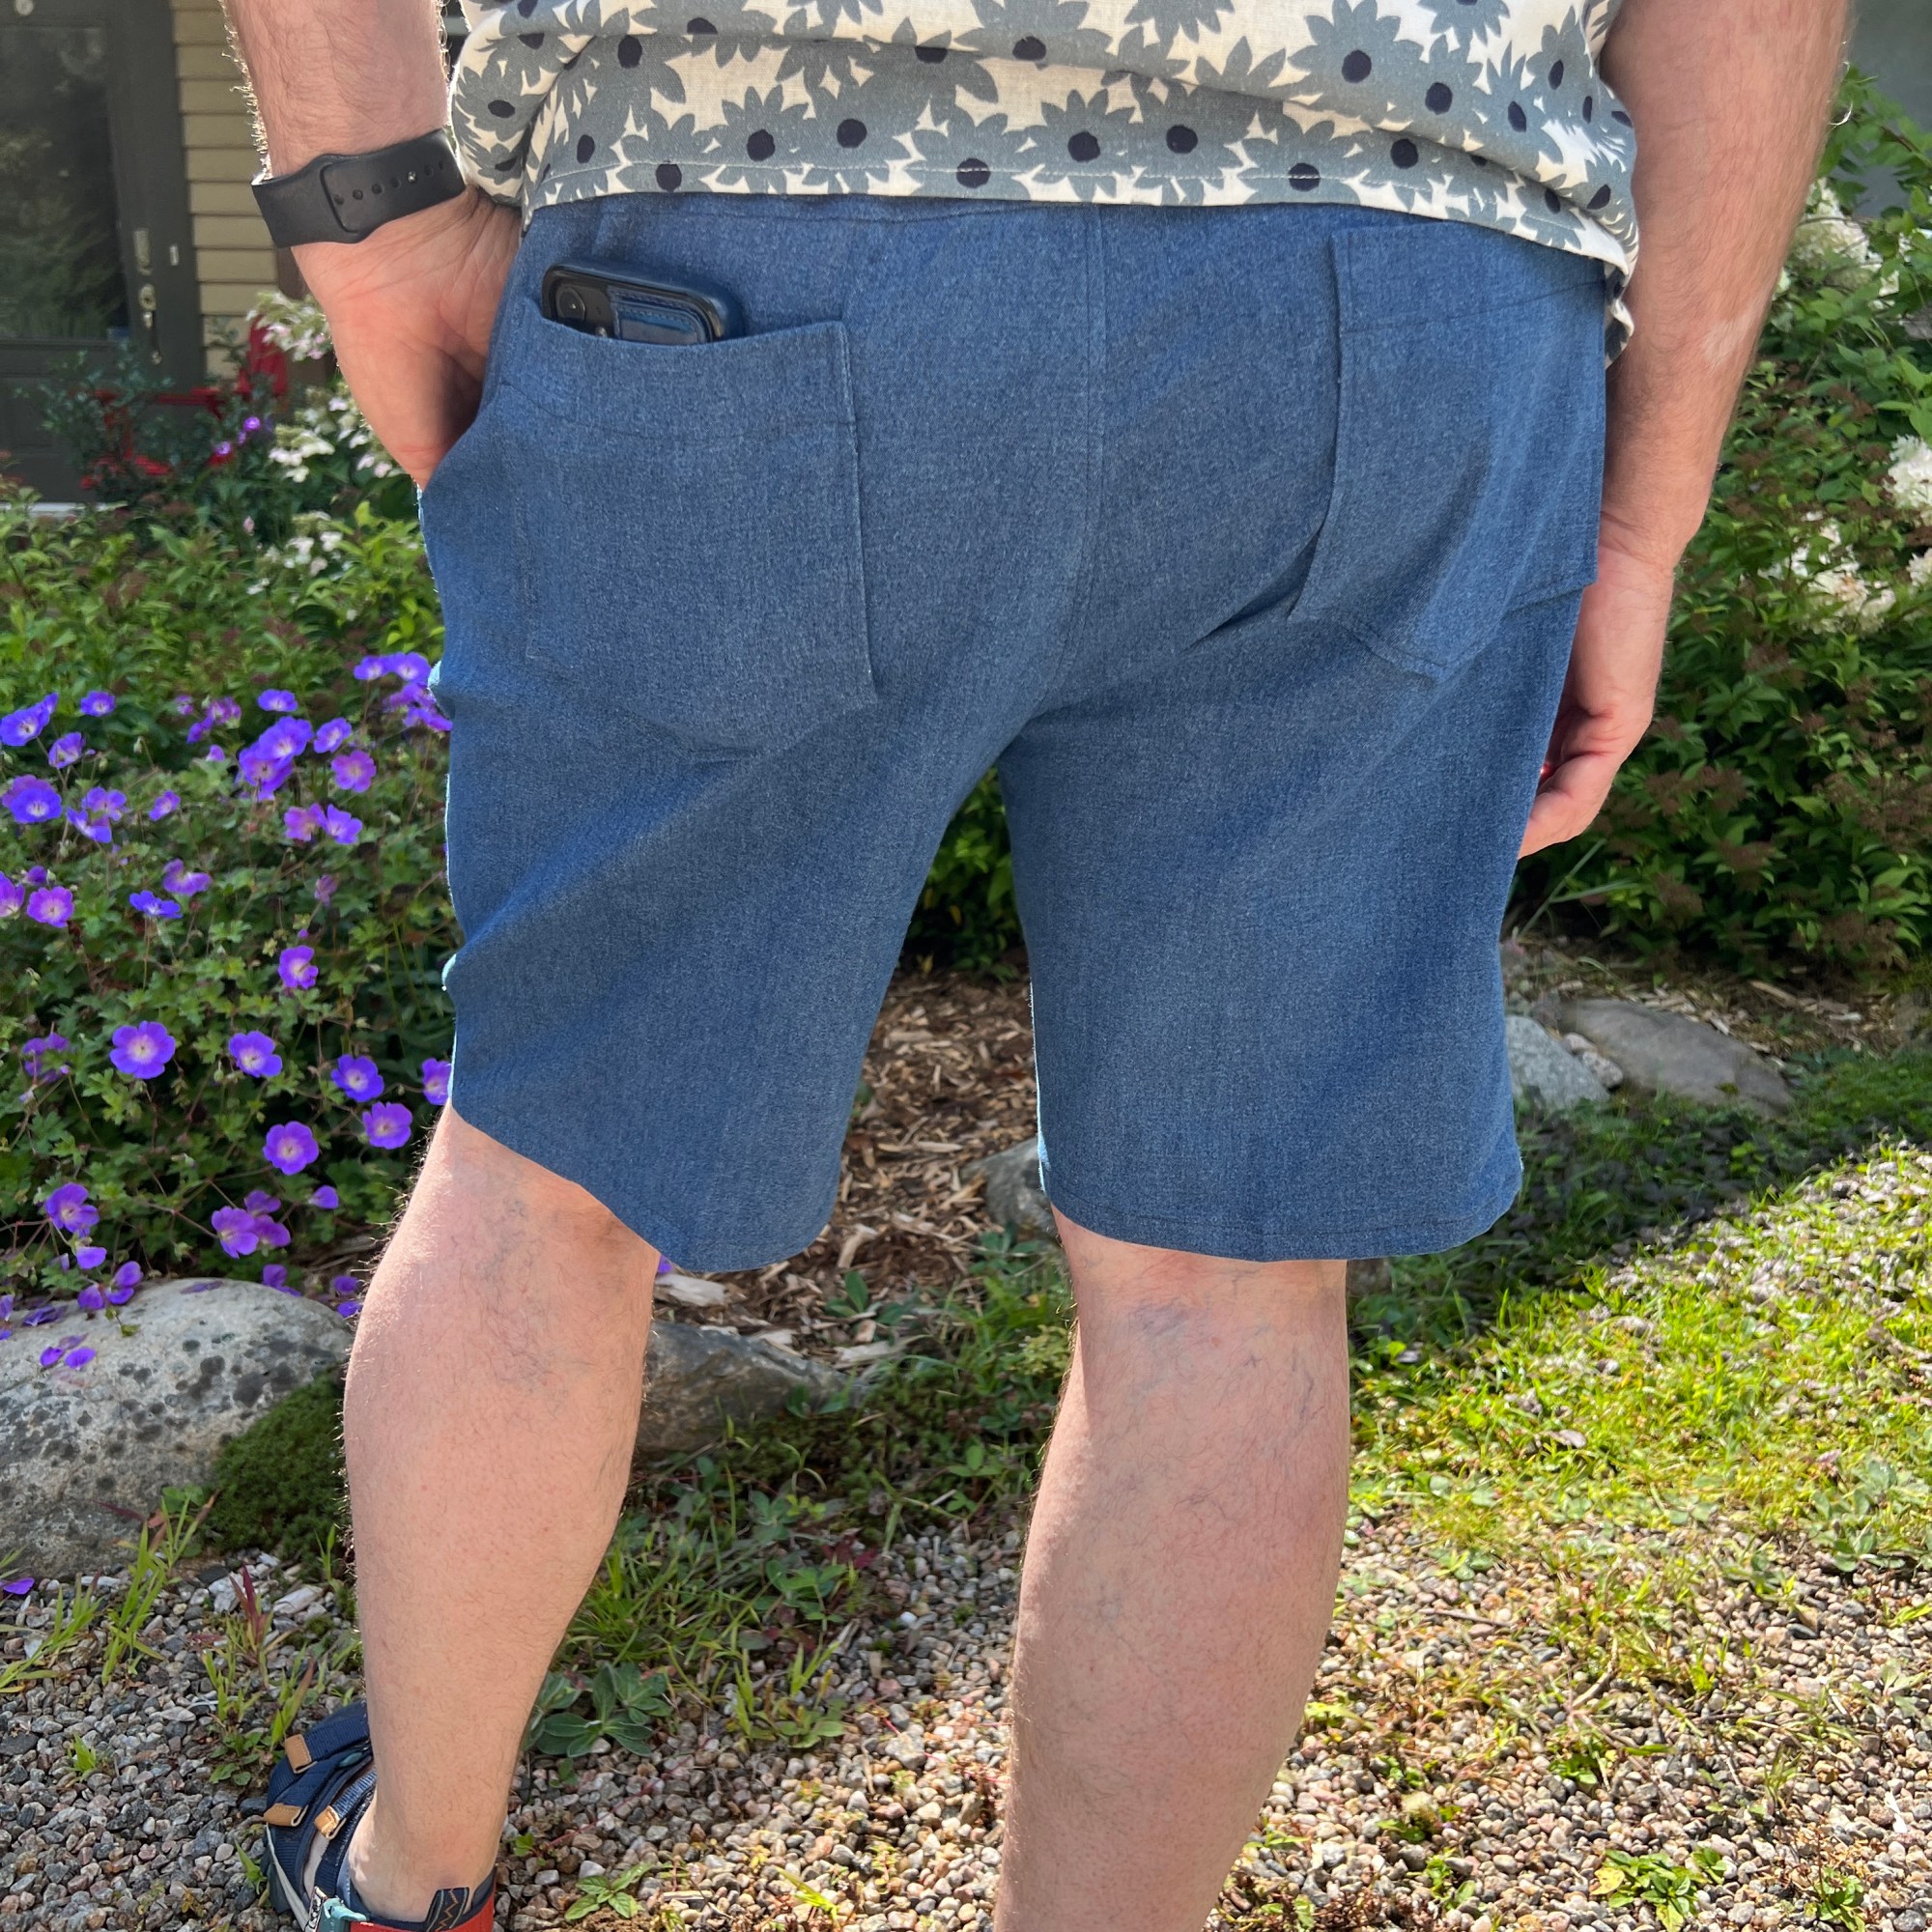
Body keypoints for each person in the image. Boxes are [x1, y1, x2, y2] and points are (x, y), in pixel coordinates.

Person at [223, 1, 1847, 1926]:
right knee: (1226, 1272)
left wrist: (374, 214)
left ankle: (409, 1879)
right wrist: (1646, 508)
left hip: (753, 212)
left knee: (552, 1173)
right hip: (1399, 288)